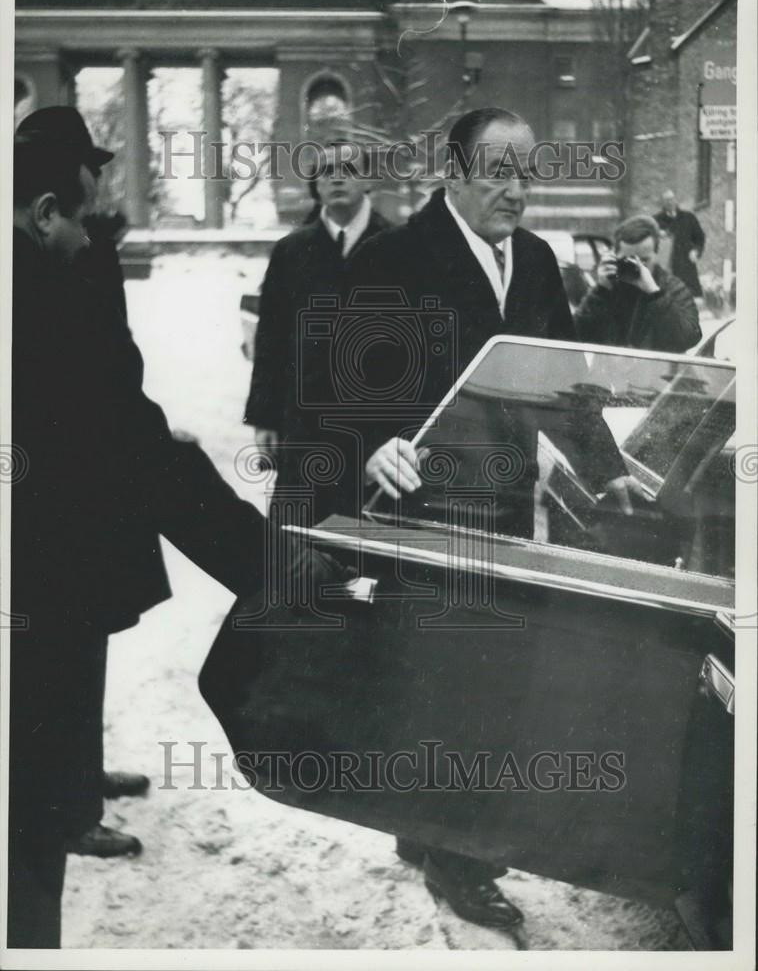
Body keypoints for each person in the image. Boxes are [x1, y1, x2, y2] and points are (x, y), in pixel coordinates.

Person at [340, 107, 646, 931]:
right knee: (447, 680)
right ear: (452, 174)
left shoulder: (539, 262)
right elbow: (339, 384)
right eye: (499, 173)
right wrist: (371, 444)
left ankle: (435, 836)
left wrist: (607, 472)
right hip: (422, 509)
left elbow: (568, 385)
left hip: (506, 504)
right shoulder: (393, 258)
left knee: (478, 678)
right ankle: (459, 861)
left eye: (527, 173)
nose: (518, 190)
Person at [10, 126, 268, 948]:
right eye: (82, 220)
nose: (92, 238)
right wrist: (271, 567)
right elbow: (124, 438)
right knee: (25, 850)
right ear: (45, 212)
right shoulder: (42, 300)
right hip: (32, 599)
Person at [16, 106, 148, 860]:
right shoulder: (60, 252)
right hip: (66, 487)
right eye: (88, 168)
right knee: (59, 650)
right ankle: (66, 802)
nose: (99, 181)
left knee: (82, 642)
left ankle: (80, 777)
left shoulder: (79, 242)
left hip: (88, 476)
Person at [243, 140, 391, 525]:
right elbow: (271, 340)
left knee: (367, 551)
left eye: (349, 169)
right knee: (293, 553)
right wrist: (265, 418)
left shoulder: (400, 247)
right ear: (315, 185)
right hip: (304, 428)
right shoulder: (292, 251)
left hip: (376, 435)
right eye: (326, 171)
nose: (337, 178)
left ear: (370, 179)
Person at [574, 214, 701, 353]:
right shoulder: (608, 288)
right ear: (615, 255)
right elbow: (576, 335)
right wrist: (600, 291)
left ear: (656, 254)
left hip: (656, 373)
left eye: (644, 260)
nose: (636, 266)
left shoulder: (672, 287)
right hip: (610, 372)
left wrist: (655, 294)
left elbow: (690, 338)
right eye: (628, 260)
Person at [654, 189, 705, 301]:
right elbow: (650, 242)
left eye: (672, 199)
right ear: (662, 203)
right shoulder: (656, 221)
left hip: (686, 265)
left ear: (676, 200)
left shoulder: (688, 217)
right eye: (666, 200)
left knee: (689, 298)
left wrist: (696, 251)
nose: (670, 202)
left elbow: (699, 237)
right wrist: (658, 234)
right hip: (666, 267)